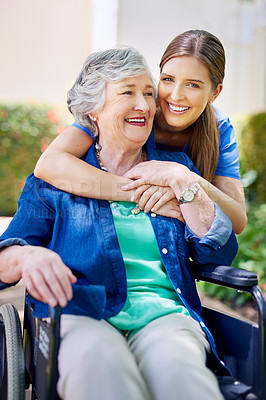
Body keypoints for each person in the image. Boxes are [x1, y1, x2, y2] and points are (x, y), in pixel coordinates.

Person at [0, 47, 238, 400]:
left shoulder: (175, 167)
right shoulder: (57, 180)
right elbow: (7, 254)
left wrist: (188, 187)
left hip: (164, 316)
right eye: (127, 92)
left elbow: (218, 256)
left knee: (181, 374)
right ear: (92, 112)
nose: (144, 105)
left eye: (147, 92)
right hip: (82, 312)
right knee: (100, 369)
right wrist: (27, 257)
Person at [34, 29, 247, 234]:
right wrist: (136, 192)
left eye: (193, 85)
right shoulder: (134, 113)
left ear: (215, 93)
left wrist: (184, 178)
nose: (175, 95)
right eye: (168, 79)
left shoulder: (219, 128)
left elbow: (238, 219)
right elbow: (49, 164)